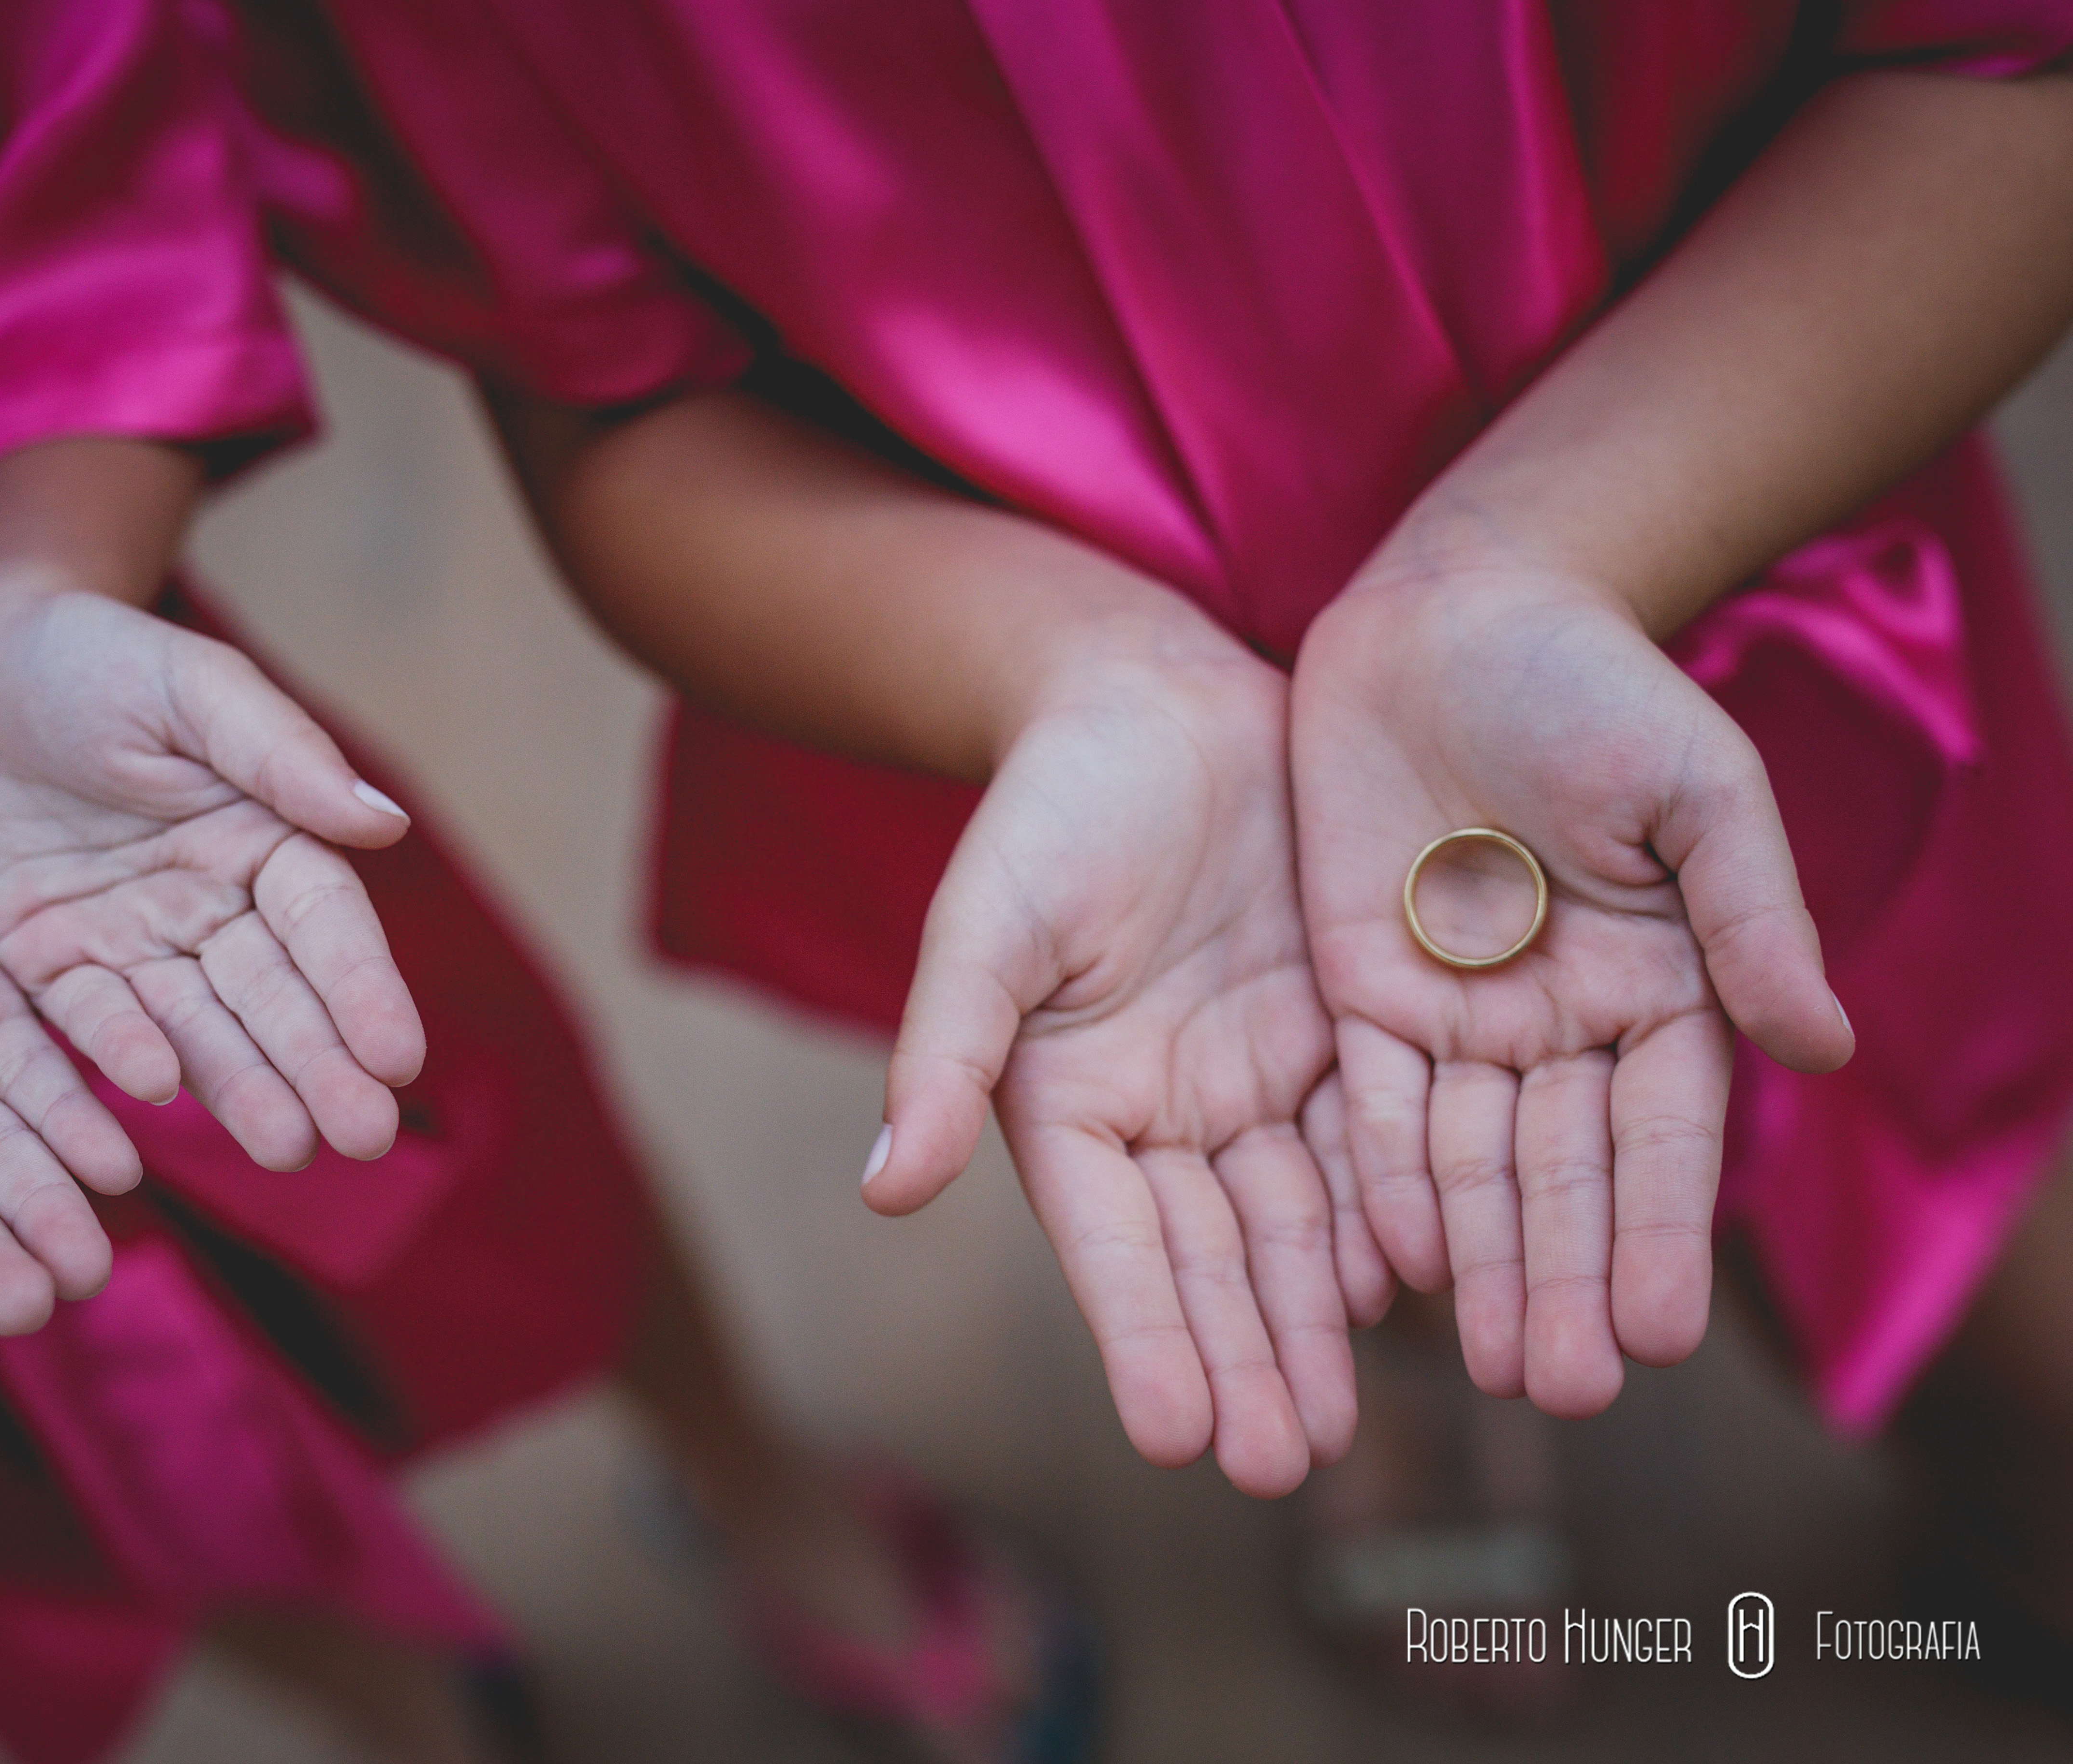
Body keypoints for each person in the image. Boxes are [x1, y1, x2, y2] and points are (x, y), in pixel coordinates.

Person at [232, 0, 2073, 1659]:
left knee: (1959, 1170)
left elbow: (2010, 66)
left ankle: (1999, 1486)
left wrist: (1537, 558)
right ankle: (1415, 1400)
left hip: (1722, 506)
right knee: (1308, 1175)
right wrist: (1079, 671)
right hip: (997, 682)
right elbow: (611, 398)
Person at [0, 3, 1071, 1760]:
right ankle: (409, 1708)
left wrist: (12, 591)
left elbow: (64, 140)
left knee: (493, 1151)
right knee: (12, 1434)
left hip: (81, 758)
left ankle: (753, 1482)